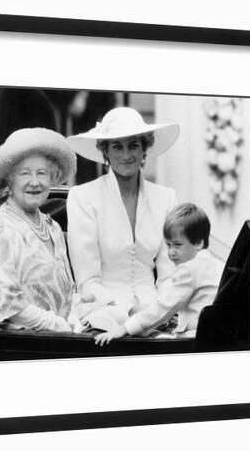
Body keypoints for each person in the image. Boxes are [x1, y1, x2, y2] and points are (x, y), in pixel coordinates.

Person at [66, 106, 180, 330]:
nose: (126, 155)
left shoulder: (166, 198)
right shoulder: (82, 197)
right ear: (105, 151)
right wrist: (121, 315)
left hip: (155, 314)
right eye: (117, 146)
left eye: (133, 145)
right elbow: (87, 280)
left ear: (144, 149)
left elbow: (169, 274)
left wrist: (162, 311)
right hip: (102, 312)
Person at [0, 127, 79, 332]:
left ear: (52, 179)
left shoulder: (53, 227)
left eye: (42, 173)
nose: (35, 182)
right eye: (24, 173)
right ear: (9, 183)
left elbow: (68, 291)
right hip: (23, 343)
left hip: (63, 339)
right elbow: (5, 304)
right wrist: (58, 326)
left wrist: (74, 320)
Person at [94, 203, 224, 344]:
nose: (171, 252)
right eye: (168, 245)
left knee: (145, 340)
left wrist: (124, 328)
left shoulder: (190, 269)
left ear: (199, 243)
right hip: (216, 335)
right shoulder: (214, 263)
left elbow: (164, 308)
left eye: (178, 244)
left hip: (195, 339)